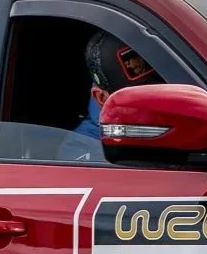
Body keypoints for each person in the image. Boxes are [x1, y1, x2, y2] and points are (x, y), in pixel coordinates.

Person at [60, 29, 163, 162]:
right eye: (134, 96)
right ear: (101, 98)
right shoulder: (82, 147)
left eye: (156, 84)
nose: (151, 99)